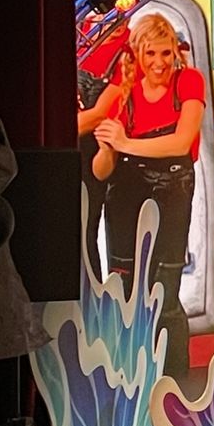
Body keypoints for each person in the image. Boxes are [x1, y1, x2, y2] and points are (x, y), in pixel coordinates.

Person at [91, 13, 205, 378]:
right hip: (125, 191)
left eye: (166, 54)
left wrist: (126, 142)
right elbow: (101, 170)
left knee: (165, 288)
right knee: (124, 285)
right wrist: (109, 148)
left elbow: (182, 141)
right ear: (138, 54)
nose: (159, 63)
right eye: (151, 54)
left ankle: (174, 382)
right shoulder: (124, 90)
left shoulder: (188, 81)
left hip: (173, 187)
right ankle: (129, 375)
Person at [76, 20, 133, 282]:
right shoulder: (79, 33)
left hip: (95, 153)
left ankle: (89, 311)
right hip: (68, 155)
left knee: (85, 232)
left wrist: (51, 133)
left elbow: (99, 113)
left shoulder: (130, 50)